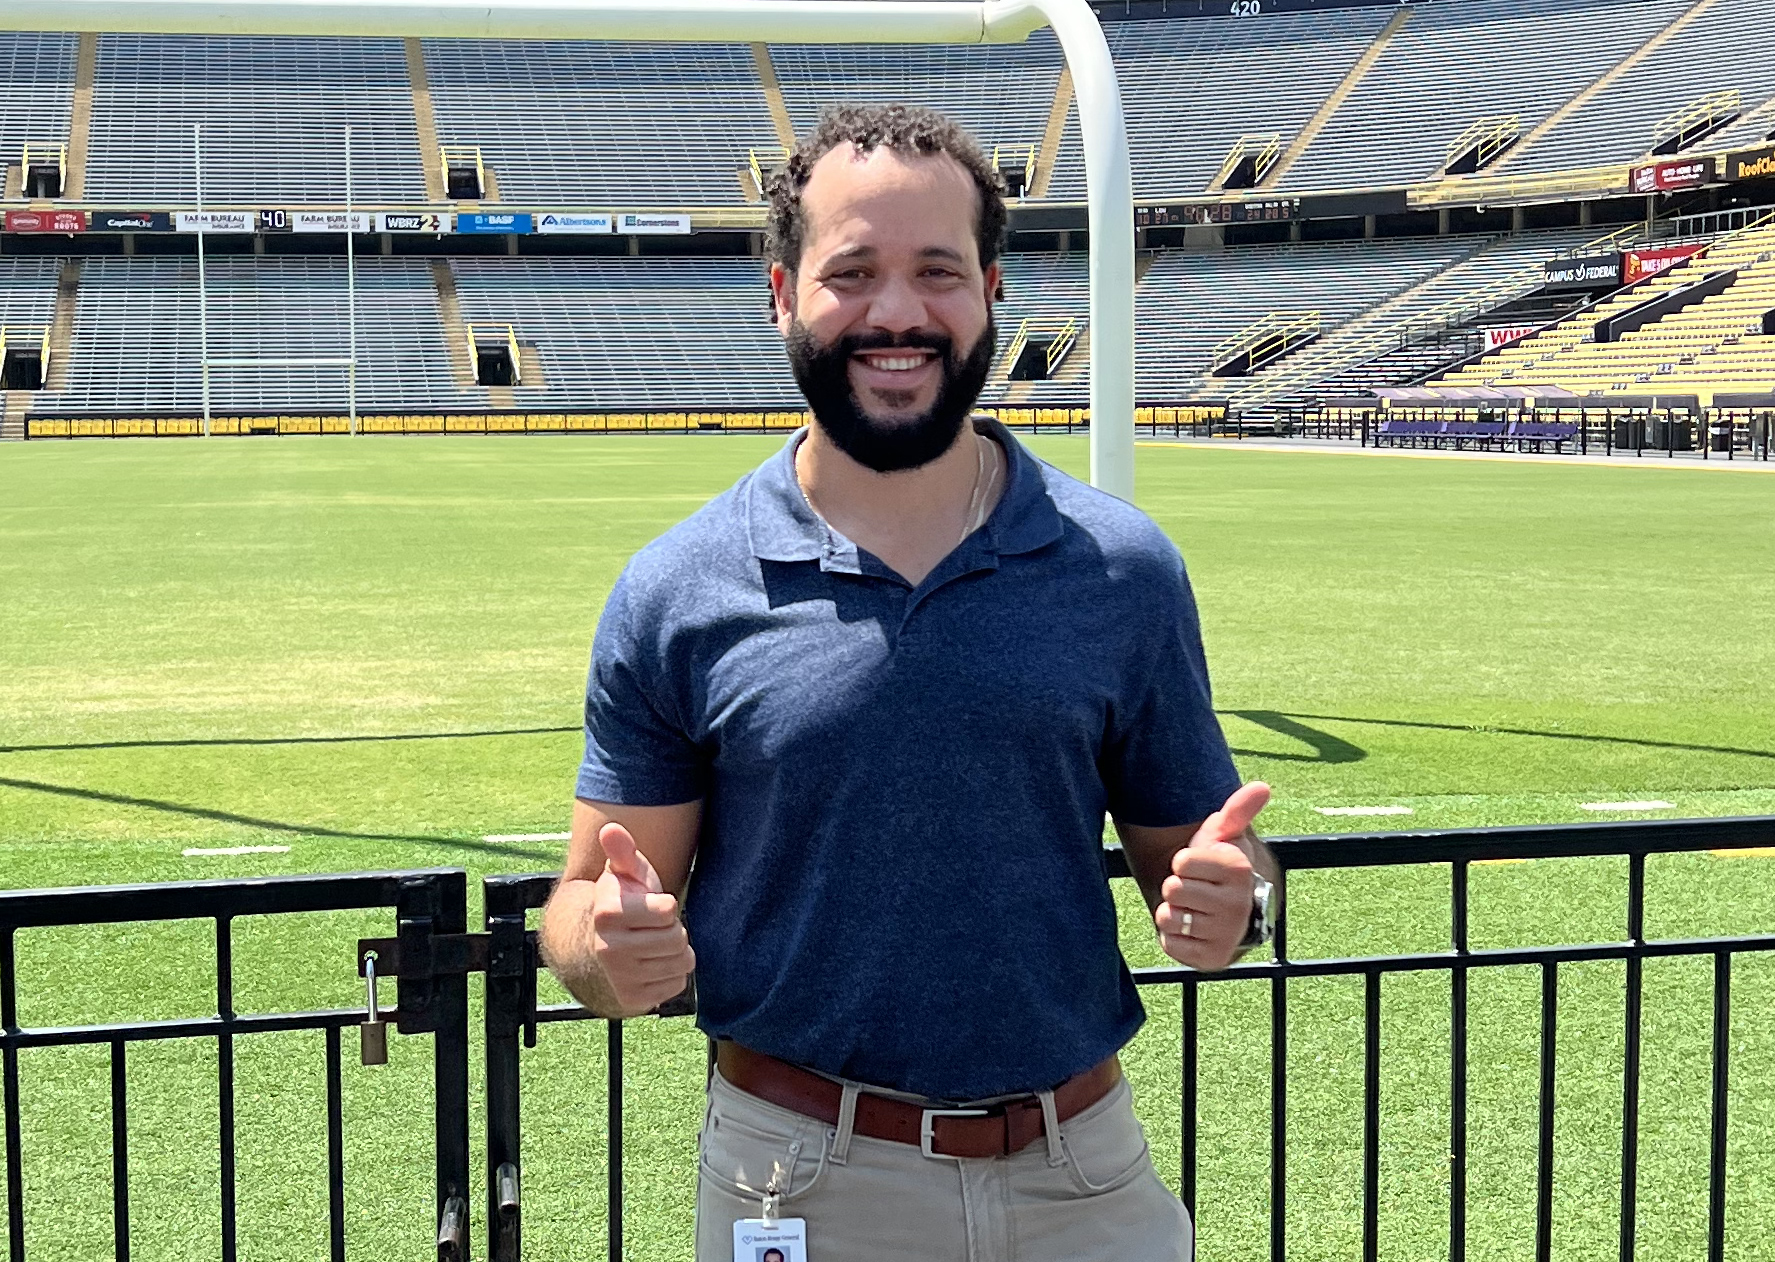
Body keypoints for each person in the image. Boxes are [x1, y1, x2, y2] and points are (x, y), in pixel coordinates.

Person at [540, 103, 1279, 1262]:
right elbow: (581, 911)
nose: (896, 312)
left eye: (936, 271)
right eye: (852, 272)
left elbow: (1209, 867)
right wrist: (604, 944)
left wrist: (1242, 905)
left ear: (989, 290)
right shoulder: (677, 588)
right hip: (797, 1177)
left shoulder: (1120, 568)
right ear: (781, 293)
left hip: (1083, 1171)